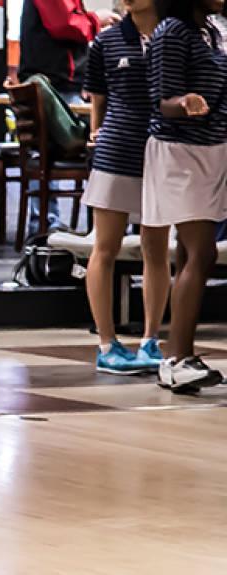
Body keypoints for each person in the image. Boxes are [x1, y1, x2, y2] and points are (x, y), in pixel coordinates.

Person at [81, 0, 169, 375]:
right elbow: (98, 98)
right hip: (116, 150)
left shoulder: (175, 35)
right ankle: (107, 343)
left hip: (163, 151)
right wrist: (96, 132)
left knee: (156, 248)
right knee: (105, 247)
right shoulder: (107, 41)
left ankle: (151, 339)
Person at [145, 0, 227, 393]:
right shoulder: (171, 32)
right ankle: (178, 357)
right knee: (202, 252)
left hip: (211, 149)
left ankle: (176, 359)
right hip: (179, 150)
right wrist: (185, 103)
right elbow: (162, 99)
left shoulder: (210, 29)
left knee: (191, 254)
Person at [19, 0, 122, 233]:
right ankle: (103, 225)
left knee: (49, 149)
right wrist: (96, 20)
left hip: (56, 81)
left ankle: (51, 223)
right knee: (104, 140)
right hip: (55, 82)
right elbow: (65, 25)